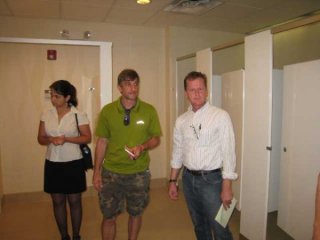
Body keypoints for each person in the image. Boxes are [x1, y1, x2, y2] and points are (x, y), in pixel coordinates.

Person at [93, 69, 161, 240]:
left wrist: (142, 147)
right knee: (109, 216)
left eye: (136, 84)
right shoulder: (107, 111)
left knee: (136, 213)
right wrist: (96, 172)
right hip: (111, 174)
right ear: (119, 88)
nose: (133, 88)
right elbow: (102, 142)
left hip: (138, 174)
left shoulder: (149, 110)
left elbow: (155, 139)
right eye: (128, 84)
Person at [168, 71, 237, 240]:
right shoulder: (181, 120)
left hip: (213, 181)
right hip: (188, 180)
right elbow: (178, 151)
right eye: (192, 90)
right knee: (199, 226)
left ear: (206, 91)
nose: (197, 93)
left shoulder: (220, 116)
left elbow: (229, 152)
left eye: (200, 89)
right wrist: (172, 181)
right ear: (186, 93)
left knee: (221, 227)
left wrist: (227, 187)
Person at [37, 80, 92, 240]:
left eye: (57, 96)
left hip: (73, 162)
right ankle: (64, 236)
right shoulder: (46, 115)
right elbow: (40, 138)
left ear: (67, 97)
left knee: (75, 201)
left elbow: (87, 138)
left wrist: (66, 139)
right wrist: (51, 140)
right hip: (52, 163)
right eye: (52, 95)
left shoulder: (78, 115)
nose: (53, 99)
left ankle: (76, 235)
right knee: (57, 201)